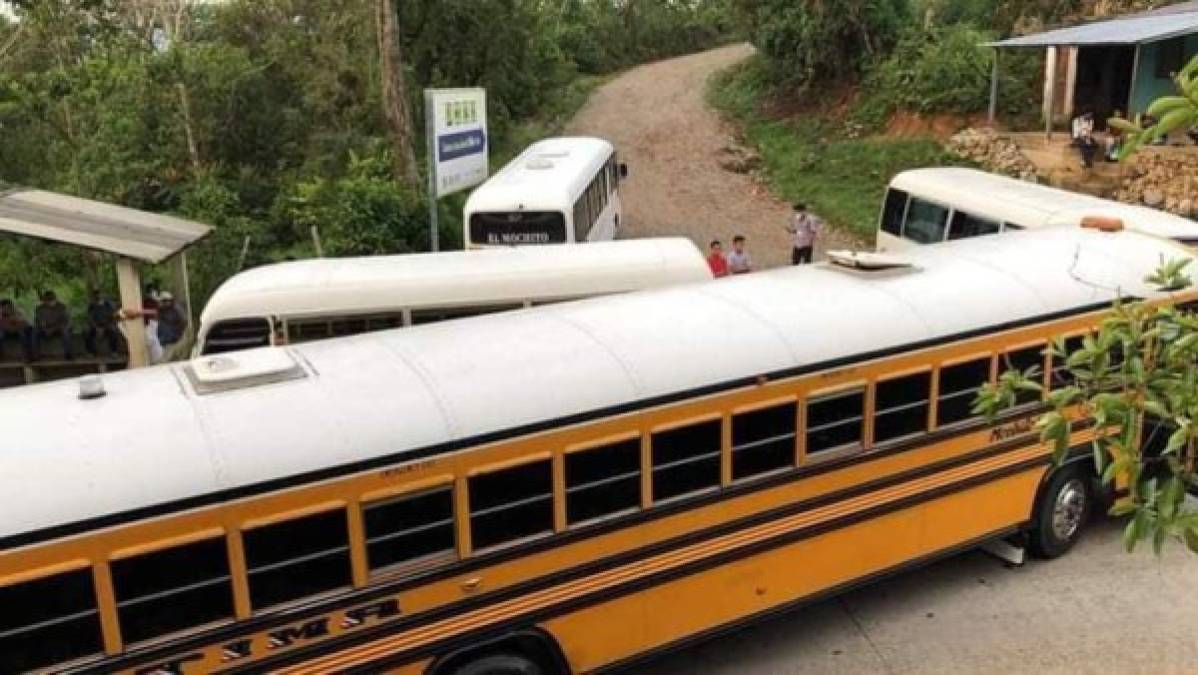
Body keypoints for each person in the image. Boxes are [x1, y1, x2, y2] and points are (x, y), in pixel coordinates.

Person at [33, 290, 72, 360]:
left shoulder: (62, 307)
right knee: (34, 332)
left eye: (51, 299)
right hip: (44, 329)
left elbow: (65, 321)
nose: (49, 301)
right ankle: (35, 354)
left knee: (65, 332)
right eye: (47, 300)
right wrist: (44, 329)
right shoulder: (39, 309)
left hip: (58, 328)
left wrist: (53, 329)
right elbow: (38, 321)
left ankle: (68, 353)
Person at [85, 290, 120, 356]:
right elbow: (90, 318)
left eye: (99, 295)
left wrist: (105, 327)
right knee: (86, 332)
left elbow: (112, 317)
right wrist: (96, 327)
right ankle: (91, 352)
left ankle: (114, 351)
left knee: (113, 331)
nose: (98, 297)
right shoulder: (91, 306)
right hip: (95, 326)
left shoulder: (108, 305)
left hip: (107, 325)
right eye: (96, 295)